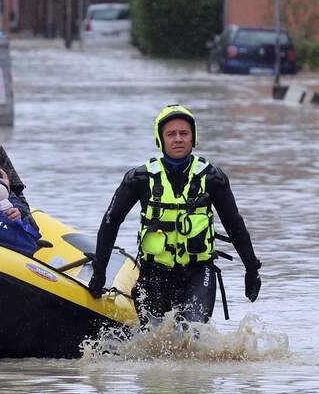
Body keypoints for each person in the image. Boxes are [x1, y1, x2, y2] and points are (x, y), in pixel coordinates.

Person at [87, 104, 262, 323]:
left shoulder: (213, 178)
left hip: (198, 272)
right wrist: (99, 271)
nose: (178, 139)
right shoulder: (139, 179)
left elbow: (234, 224)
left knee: (192, 332)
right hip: (154, 274)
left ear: (193, 137)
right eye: (171, 134)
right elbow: (111, 222)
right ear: (160, 139)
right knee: (153, 334)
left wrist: (251, 269)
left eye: (184, 133)